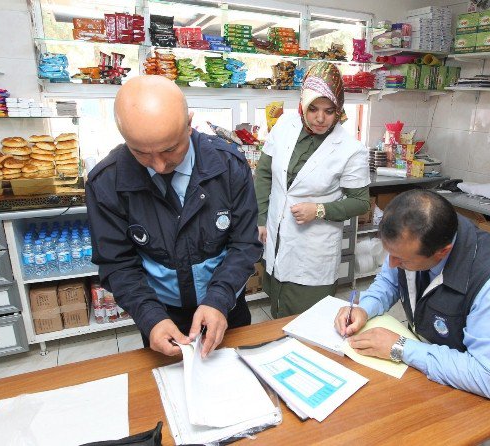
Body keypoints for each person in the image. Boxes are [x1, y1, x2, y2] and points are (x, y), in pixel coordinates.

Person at [335, 190, 490, 446]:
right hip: (437, 354)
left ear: (442, 252)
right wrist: (364, 308)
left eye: (402, 259)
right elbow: (389, 280)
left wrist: (400, 347)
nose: (392, 263)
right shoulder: (418, 241)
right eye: (390, 253)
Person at [86, 75, 262, 358]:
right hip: (161, 315)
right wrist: (150, 317)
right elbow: (117, 265)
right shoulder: (107, 182)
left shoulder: (228, 166)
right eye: (141, 153)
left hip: (226, 305)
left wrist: (218, 300)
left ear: (189, 123)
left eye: (170, 149)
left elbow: (244, 245)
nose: (158, 165)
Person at [255, 62, 370, 318]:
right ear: (303, 104)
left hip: (312, 250)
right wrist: (261, 218)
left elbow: (360, 203)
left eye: (329, 111)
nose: (320, 118)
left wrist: (319, 210)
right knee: (276, 309)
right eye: (313, 109)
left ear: (339, 108)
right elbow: (264, 173)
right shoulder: (285, 124)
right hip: (277, 238)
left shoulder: (350, 149)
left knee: (305, 319)